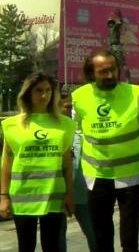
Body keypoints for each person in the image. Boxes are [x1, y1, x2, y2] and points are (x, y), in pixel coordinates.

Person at [72, 50, 139, 252]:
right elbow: (77, 132)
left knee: (129, 236)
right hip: (96, 176)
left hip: (130, 177)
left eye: (112, 70)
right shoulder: (79, 97)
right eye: (103, 71)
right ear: (92, 73)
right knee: (101, 236)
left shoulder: (136, 94)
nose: (109, 75)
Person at [0, 72, 75, 252]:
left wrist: (69, 194)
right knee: (26, 246)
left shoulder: (65, 124)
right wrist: (3, 197)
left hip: (53, 195)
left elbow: (67, 163)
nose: (44, 95)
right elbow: (6, 162)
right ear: (28, 93)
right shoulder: (11, 125)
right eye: (38, 90)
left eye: (48, 90)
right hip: (23, 196)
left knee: (52, 246)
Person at [59, 92, 98, 252]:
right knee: (57, 239)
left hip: (83, 195)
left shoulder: (82, 133)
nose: (66, 110)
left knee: (95, 235)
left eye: (69, 106)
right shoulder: (54, 134)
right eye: (62, 106)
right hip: (58, 196)